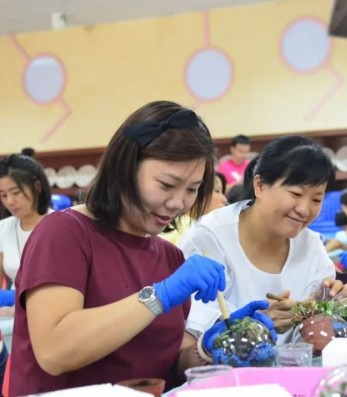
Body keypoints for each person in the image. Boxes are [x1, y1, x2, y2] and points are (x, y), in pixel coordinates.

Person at [9, 101, 274, 395]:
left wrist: (210, 347)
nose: (177, 203)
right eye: (166, 184)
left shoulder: (171, 256)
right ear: (125, 167)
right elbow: (55, 352)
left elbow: (166, 365)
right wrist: (158, 296)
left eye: (192, 189)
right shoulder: (64, 233)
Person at [178, 135, 347, 339]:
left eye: (316, 199)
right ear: (259, 186)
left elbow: (318, 336)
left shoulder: (310, 244)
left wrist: (317, 309)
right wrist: (256, 325)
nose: (304, 210)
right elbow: (193, 323)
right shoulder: (209, 236)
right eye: (295, 194)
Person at [0, 154, 52, 291]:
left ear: (37, 187)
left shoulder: (62, 225)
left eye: (16, 192)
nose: (10, 201)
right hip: (10, 309)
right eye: (3, 195)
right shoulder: (3, 228)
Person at [160, 171, 228, 245]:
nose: (224, 199)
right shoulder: (174, 229)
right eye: (217, 191)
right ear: (198, 192)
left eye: (222, 192)